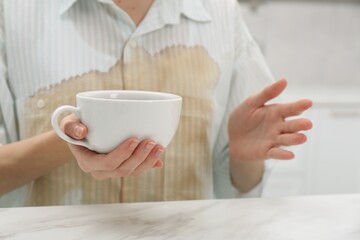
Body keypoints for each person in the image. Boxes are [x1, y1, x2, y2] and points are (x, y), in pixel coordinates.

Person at [0, 0, 312, 207]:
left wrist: (243, 157)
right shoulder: (13, 12)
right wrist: (76, 141)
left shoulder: (220, 12)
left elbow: (235, 191)